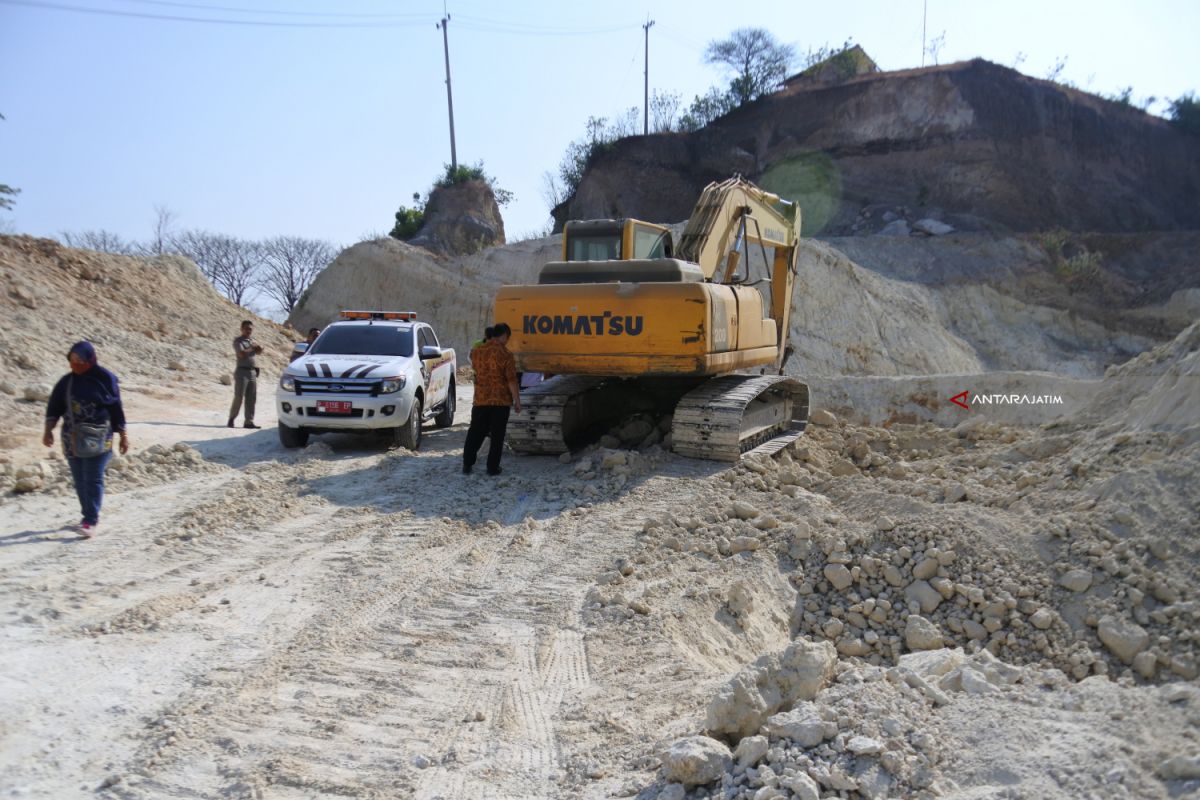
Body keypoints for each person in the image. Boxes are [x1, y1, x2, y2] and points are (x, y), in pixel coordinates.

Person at [43, 341, 129, 537]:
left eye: (80, 360)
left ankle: (91, 519)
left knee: (93, 477)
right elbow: (54, 407)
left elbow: (116, 409)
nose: (76, 364)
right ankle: (87, 515)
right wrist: (48, 430)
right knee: (80, 479)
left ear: (90, 360)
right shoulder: (66, 382)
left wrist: (123, 435)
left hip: (99, 437)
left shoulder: (105, 379)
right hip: (72, 438)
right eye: (72, 360)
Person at [462, 322, 520, 476]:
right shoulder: (506, 354)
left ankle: (467, 464)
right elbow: (511, 380)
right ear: (505, 336)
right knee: (497, 436)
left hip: (481, 399)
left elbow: (475, 369)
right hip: (500, 401)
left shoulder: (477, 352)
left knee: (475, 432)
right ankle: (492, 468)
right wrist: (517, 400)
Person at [229, 319, 263, 428]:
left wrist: (259, 348)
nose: (249, 331)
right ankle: (232, 418)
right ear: (242, 329)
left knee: (251, 398)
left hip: (252, 371)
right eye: (247, 329)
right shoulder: (238, 341)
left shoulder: (252, 341)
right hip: (242, 371)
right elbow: (241, 354)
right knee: (239, 396)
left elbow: (258, 352)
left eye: (250, 329)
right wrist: (252, 347)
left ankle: (249, 421)